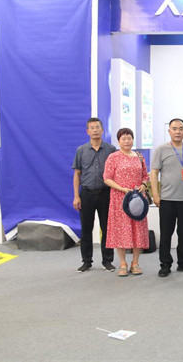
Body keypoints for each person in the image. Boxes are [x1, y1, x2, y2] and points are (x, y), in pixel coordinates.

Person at [150, 118, 183, 278]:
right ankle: (165, 264)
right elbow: (154, 173)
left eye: (180, 128)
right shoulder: (161, 150)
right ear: (169, 131)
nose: (177, 131)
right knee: (166, 234)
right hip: (167, 199)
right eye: (174, 128)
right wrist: (155, 194)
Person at [103, 128, 150, 277]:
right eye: (123, 139)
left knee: (138, 231)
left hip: (137, 199)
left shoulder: (139, 156)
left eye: (129, 138)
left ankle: (135, 263)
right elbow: (107, 178)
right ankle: (122, 263)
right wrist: (122, 189)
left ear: (133, 140)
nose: (127, 141)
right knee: (120, 231)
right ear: (118, 141)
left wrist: (143, 185)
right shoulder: (113, 157)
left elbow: (145, 176)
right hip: (119, 198)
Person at [72, 117, 116, 273]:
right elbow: (77, 174)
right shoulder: (81, 150)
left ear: (102, 130)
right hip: (87, 194)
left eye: (97, 127)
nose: (95, 130)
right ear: (87, 131)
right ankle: (86, 261)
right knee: (86, 229)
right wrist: (76, 196)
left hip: (106, 193)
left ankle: (107, 261)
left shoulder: (111, 150)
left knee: (107, 228)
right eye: (92, 128)